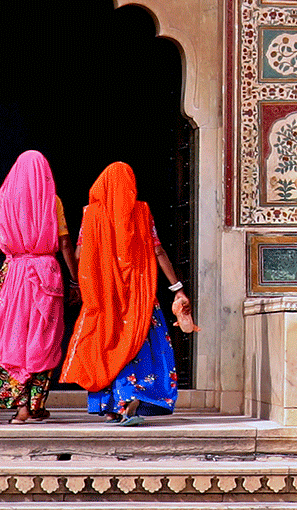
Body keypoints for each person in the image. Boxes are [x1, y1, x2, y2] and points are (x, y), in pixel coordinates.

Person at [62, 161, 195, 425]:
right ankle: (130, 401)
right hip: (138, 296)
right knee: (138, 346)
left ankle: (112, 406)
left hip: (105, 296)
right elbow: (158, 250)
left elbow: (79, 253)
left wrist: (81, 283)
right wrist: (177, 287)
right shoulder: (142, 212)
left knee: (107, 344)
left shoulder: (91, 214)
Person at [0, 150, 78, 423]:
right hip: (47, 276)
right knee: (43, 341)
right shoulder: (53, 202)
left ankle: (21, 409)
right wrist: (75, 279)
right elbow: (65, 243)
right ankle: (36, 404)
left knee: (15, 338)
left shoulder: (5, 201)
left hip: (13, 276)